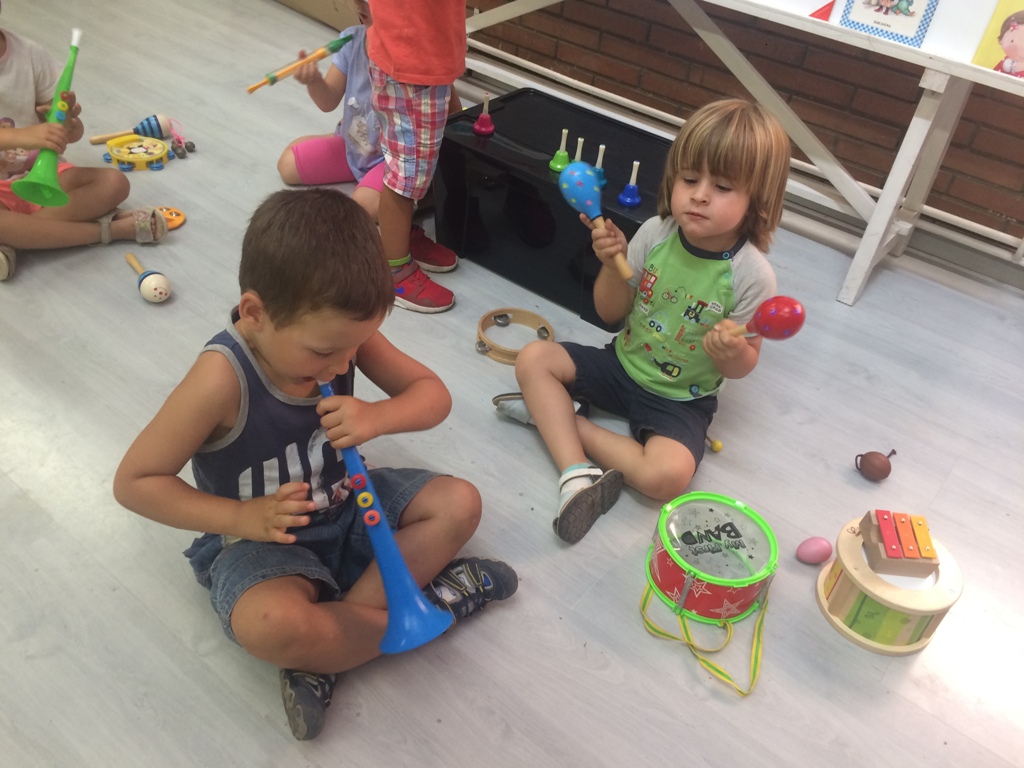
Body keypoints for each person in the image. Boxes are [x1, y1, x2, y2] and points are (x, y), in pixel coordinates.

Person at [113, 188, 518, 740]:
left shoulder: (340, 336)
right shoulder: (220, 378)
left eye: (353, 348)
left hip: (347, 505)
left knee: (459, 503)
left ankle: (329, 653)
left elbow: (434, 396)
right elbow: (135, 482)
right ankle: (439, 604)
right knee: (272, 624)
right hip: (262, 541)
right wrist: (241, 518)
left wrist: (377, 416)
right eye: (325, 353)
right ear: (254, 313)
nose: (343, 364)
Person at [493, 99, 791, 544]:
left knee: (667, 477)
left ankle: (556, 420)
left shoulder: (752, 275)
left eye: (722, 186)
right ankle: (575, 475)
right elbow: (610, 313)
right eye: (689, 179)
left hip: (681, 398)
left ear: (757, 201)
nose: (700, 195)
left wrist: (731, 353)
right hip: (620, 364)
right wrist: (611, 264)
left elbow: (743, 364)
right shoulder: (655, 233)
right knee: (534, 358)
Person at [278, 0, 460, 313]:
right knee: (287, 165)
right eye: (360, 3)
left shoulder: (418, 52)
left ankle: (401, 237)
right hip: (354, 145)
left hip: (385, 161)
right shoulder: (352, 40)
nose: (361, 6)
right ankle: (399, 230)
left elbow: (451, 111)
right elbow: (327, 101)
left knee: (364, 204)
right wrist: (314, 81)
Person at [0, 14, 168, 282]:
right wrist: (25, 136)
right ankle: (110, 231)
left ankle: (18, 239)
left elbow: (71, 133)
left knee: (114, 182)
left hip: (42, 176)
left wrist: (67, 124)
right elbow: (30, 135)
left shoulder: (30, 55)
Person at [365, 0, 466, 313]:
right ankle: (394, 268)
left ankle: (401, 237)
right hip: (411, 69)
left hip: (422, 60)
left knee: (416, 162)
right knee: (406, 175)